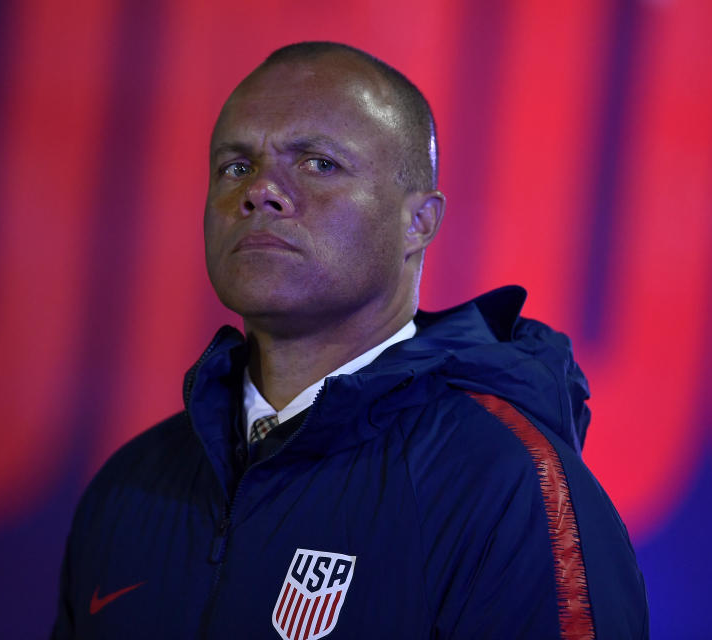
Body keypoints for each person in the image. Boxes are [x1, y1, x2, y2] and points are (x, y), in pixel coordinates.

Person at [51, 42, 648, 639]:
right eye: (236, 166)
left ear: (419, 222)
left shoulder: (510, 487)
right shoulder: (129, 486)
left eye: (318, 163)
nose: (260, 191)